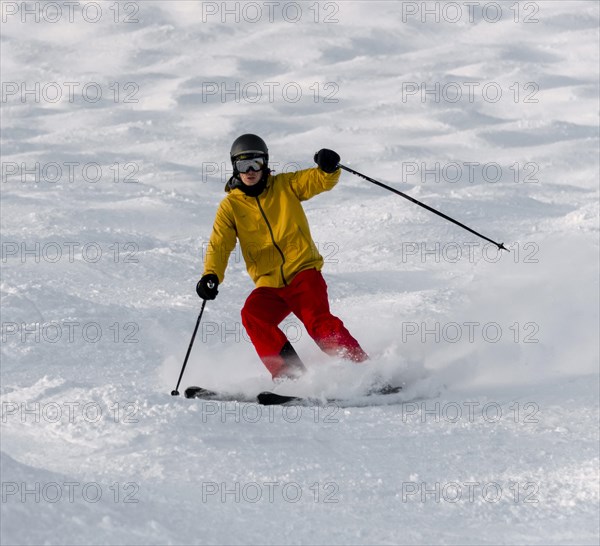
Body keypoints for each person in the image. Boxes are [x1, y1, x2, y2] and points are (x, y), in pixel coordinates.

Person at [197, 134, 368, 381]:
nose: (250, 171)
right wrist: (211, 274)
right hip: (269, 284)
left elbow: (316, 180)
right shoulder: (230, 207)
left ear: (265, 163)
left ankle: (362, 370)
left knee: (318, 321)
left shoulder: (285, 186)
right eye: (243, 165)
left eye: (255, 163)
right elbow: (219, 244)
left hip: (303, 273)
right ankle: (290, 375)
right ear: (234, 167)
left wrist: (328, 168)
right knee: (253, 314)